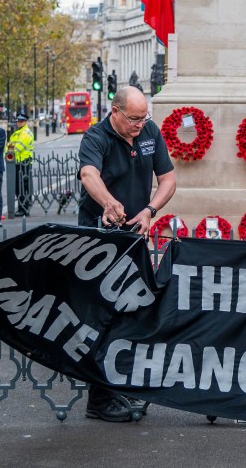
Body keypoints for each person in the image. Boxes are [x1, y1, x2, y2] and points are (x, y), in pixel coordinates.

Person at [77, 85, 176, 422]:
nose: (140, 124)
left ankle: (121, 387)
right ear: (115, 112)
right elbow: (88, 174)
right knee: (103, 314)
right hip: (101, 237)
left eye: (143, 117)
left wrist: (150, 209)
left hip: (134, 234)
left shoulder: (149, 131)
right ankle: (99, 398)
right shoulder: (96, 137)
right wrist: (108, 202)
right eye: (133, 118)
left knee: (133, 311)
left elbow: (168, 179)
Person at [6, 113, 35, 216]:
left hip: (24, 163)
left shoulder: (26, 133)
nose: (19, 122)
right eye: (18, 121)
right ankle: (21, 207)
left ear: (25, 122)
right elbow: (8, 146)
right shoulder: (17, 133)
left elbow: (16, 148)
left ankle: (24, 208)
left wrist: (9, 151)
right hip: (17, 163)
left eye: (21, 121)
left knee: (23, 187)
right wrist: (8, 150)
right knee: (18, 187)